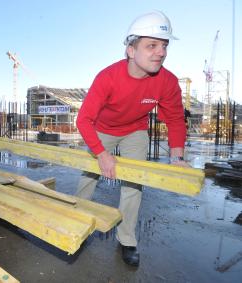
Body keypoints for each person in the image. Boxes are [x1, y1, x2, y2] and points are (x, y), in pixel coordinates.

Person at [75, 11, 189, 267]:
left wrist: (177, 157)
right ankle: (80, 221)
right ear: (130, 50)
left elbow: (174, 120)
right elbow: (83, 120)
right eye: (152, 45)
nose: (160, 52)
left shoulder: (167, 82)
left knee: (134, 184)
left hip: (135, 130)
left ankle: (127, 239)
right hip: (103, 128)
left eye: (164, 45)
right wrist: (101, 154)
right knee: (88, 176)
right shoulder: (108, 77)